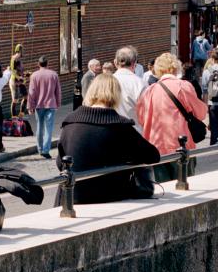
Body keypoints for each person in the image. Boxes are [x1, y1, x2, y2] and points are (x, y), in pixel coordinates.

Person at [54, 72, 160, 204]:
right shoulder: (120, 126)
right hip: (106, 196)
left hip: (70, 198)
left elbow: (60, 163)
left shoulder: (69, 123)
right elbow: (153, 156)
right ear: (116, 95)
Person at [135, 52, 208, 158]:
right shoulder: (183, 86)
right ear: (175, 67)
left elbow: (141, 119)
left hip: (156, 146)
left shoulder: (149, 91)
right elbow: (201, 113)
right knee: (183, 174)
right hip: (181, 144)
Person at [112, 46, 146, 122]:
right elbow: (146, 111)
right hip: (135, 129)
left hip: (110, 130)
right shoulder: (141, 83)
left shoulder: (104, 82)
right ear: (134, 63)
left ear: (115, 62)